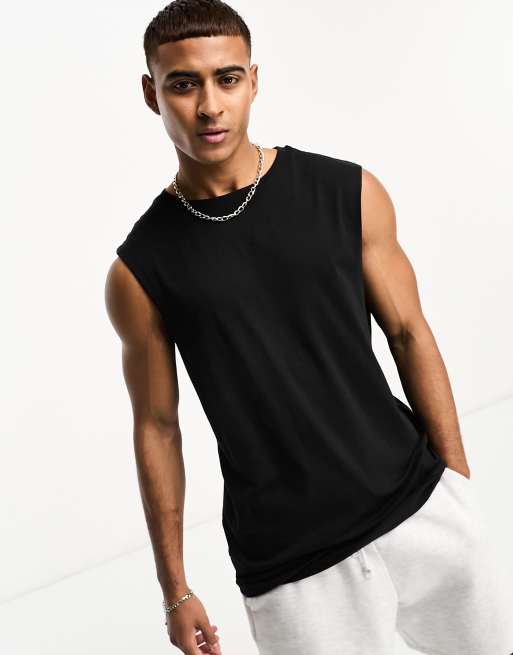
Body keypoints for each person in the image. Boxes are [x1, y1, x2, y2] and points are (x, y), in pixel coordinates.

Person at [105, 1, 513, 654]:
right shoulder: (140, 270)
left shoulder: (346, 191)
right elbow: (156, 426)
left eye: (227, 78)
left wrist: (454, 486)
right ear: (152, 94)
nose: (209, 106)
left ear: (253, 81)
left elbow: (409, 333)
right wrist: (175, 588)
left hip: (418, 508)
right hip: (292, 565)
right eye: (183, 84)